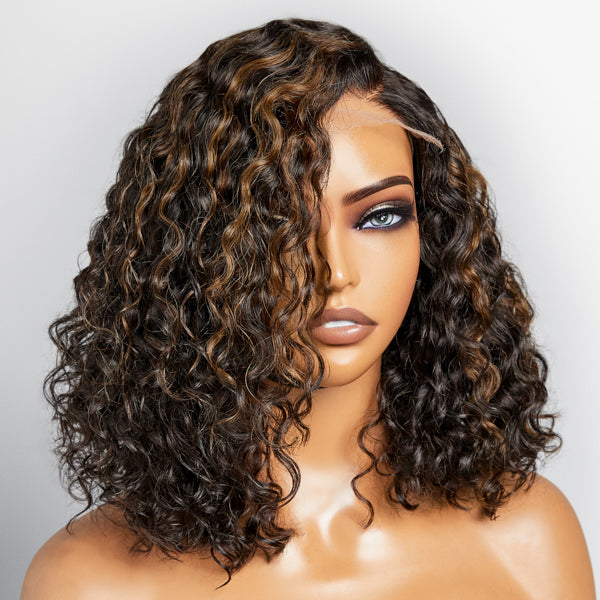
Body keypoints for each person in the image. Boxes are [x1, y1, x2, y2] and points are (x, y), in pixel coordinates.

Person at [21, 18, 595, 599]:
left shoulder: (526, 540)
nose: (335, 273)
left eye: (380, 217)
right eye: (282, 222)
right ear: (197, 253)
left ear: (434, 236)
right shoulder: (88, 582)